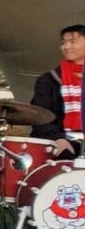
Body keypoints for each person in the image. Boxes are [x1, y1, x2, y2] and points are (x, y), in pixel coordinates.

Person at [29, 24, 85, 159]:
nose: (66, 47)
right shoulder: (49, 80)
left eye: (73, 42)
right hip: (61, 142)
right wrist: (57, 139)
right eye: (63, 43)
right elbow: (39, 117)